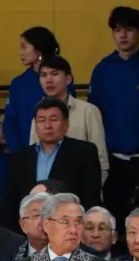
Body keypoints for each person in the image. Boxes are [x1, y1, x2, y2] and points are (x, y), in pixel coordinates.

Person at [89, 7, 139, 224]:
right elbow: (95, 113)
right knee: (114, 215)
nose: (123, 35)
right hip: (114, 158)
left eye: (129, 30)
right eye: (117, 30)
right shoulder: (103, 69)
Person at [10, 98, 102, 214]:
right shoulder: (20, 158)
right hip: (28, 227)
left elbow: (91, 198)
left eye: (54, 120)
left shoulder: (85, 152)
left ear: (66, 124)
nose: (47, 125)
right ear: (35, 125)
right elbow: (12, 202)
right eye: (42, 120)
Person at [29, 56, 108, 184]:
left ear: (68, 79)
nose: (48, 80)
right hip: (44, 191)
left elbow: (101, 160)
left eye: (55, 74)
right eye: (43, 75)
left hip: (80, 190)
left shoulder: (88, 111)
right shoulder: (39, 112)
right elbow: (33, 154)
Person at [3, 27, 71, 153]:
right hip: (26, 153)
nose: (20, 53)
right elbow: (10, 123)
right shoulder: (19, 83)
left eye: (24, 47)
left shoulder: (62, 79)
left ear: (38, 49)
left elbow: (70, 117)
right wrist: (19, 154)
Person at [13, 192, 51, 260]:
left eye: (48, 214)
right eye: (36, 215)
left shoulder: (72, 253)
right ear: (23, 225)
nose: (43, 220)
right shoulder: (12, 255)